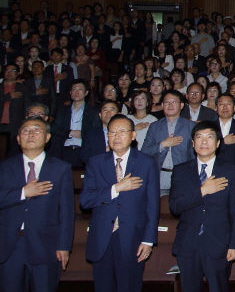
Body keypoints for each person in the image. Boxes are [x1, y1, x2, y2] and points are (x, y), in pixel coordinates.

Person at [80, 114, 160, 292]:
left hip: (133, 237)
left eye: (122, 132)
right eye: (112, 132)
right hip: (102, 237)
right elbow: (85, 200)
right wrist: (116, 188)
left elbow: (152, 205)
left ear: (133, 136)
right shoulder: (95, 163)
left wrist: (148, 240)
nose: (116, 136)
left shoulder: (146, 163)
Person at [0, 117, 74, 291]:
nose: (31, 134)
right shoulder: (4, 168)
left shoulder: (60, 168)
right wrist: (22, 193)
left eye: (37, 130)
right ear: (18, 139)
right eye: (25, 130)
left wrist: (64, 246)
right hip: (10, 246)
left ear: (47, 137)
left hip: (46, 246)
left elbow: (67, 211)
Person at [169, 120, 235, 292]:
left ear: (217, 143)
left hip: (219, 243)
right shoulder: (180, 170)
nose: (204, 142)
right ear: (193, 143)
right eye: (199, 137)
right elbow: (175, 206)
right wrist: (202, 191)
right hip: (188, 244)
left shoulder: (230, 170)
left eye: (209, 137)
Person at [141, 90, 195, 195]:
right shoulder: (154, 126)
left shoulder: (191, 126)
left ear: (182, 105)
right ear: (162, 105)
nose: (170, 105)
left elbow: (195, 155)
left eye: (174, 102)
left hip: (183, 176)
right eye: (167, 102)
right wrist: (163, 144)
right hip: (159, 175)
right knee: (159, 208)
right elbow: (144, 151)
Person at [51, 79, 99, 167]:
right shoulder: (62, 110)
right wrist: (70, 133)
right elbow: (54, 129)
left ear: (86, 92)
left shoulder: (93, 111)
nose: (76, 92)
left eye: (80, 89)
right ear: (70, 92)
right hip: (64, 150)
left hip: (83, 150)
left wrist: (82, 134)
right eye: (74, 89)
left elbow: (96, 132)